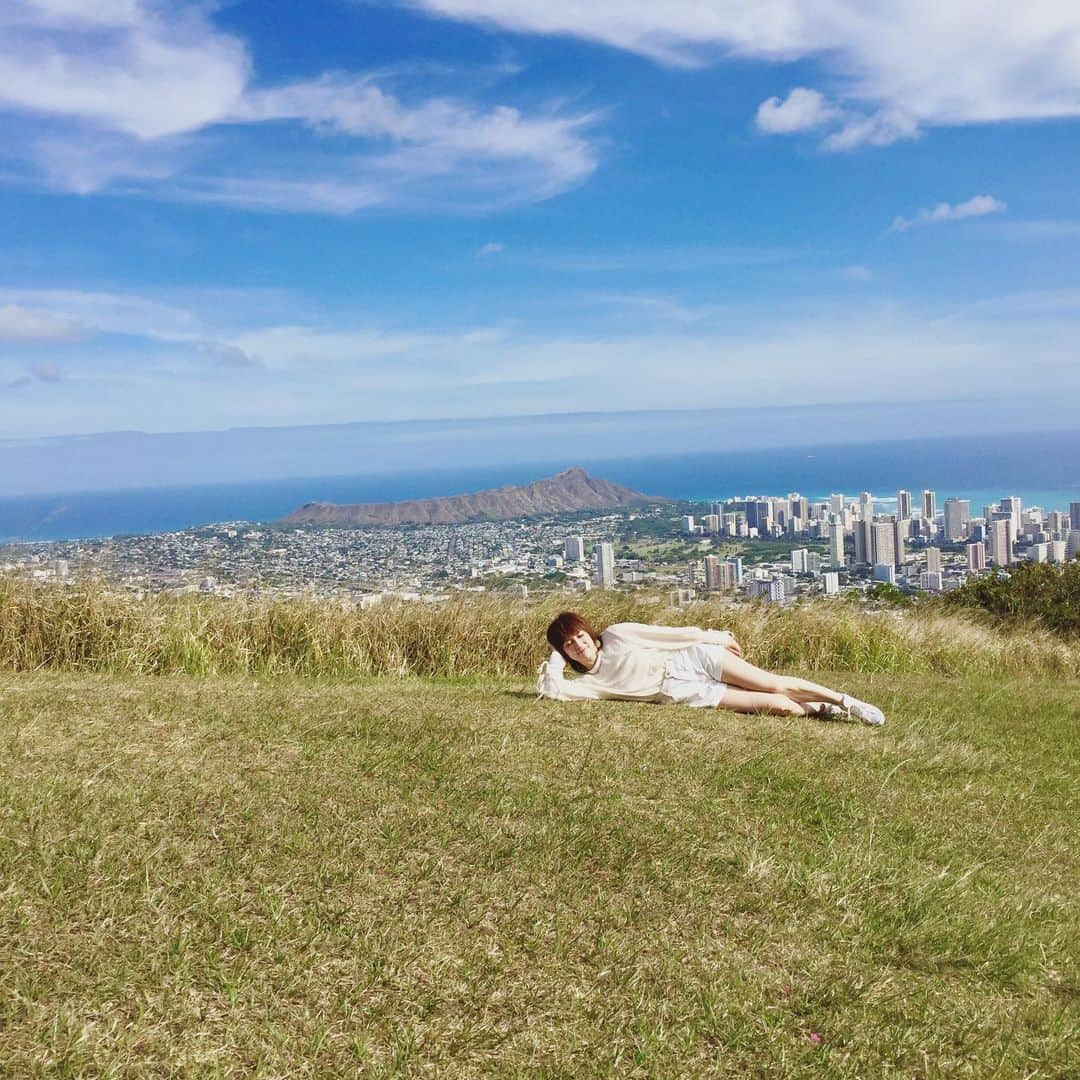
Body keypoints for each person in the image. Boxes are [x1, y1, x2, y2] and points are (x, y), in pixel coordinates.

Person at [536, 611, 885, 725]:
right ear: (565, 655)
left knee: (773, 684)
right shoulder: (589, 685)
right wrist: (555, 653)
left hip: (691, 658)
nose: (579, 645)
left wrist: (713, 637)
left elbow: (669, 634)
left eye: (579, 636)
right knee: (778, 706)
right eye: (569, 644)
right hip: (682, 691)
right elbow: (552, 689)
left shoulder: (617, 635)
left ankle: (845, 701)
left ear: (589, 632)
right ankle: (822, 709)